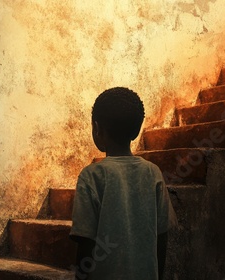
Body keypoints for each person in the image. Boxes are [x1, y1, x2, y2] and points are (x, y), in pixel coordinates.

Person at [69, 87, 177, 280]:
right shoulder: (153, 173)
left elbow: (85, 244)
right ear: (136, 131)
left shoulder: (91, 176)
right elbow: (162, 237)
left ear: (97, 128)